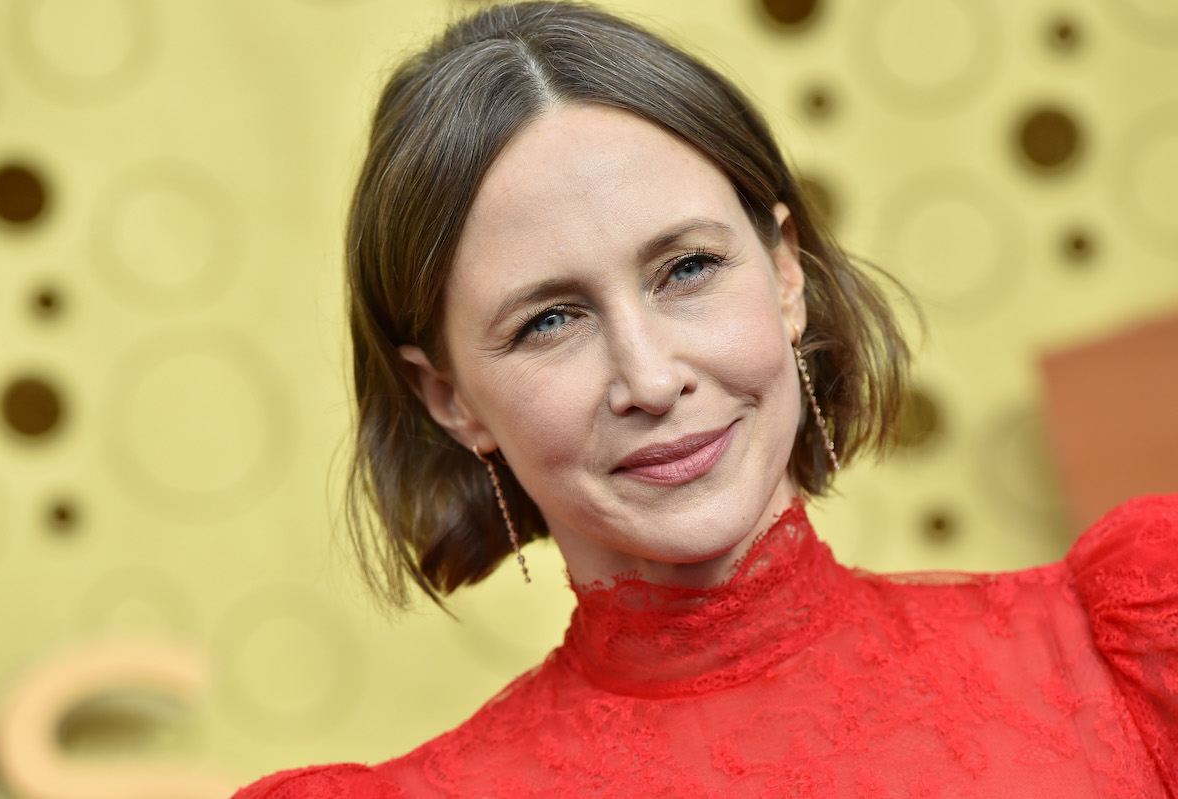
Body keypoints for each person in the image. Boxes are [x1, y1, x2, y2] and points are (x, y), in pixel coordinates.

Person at [235, 2, 1177, 796]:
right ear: (450, 399)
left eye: (688, 268)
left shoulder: (1129, 659)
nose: (650, 379)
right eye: (548, 322)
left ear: (784, 272)